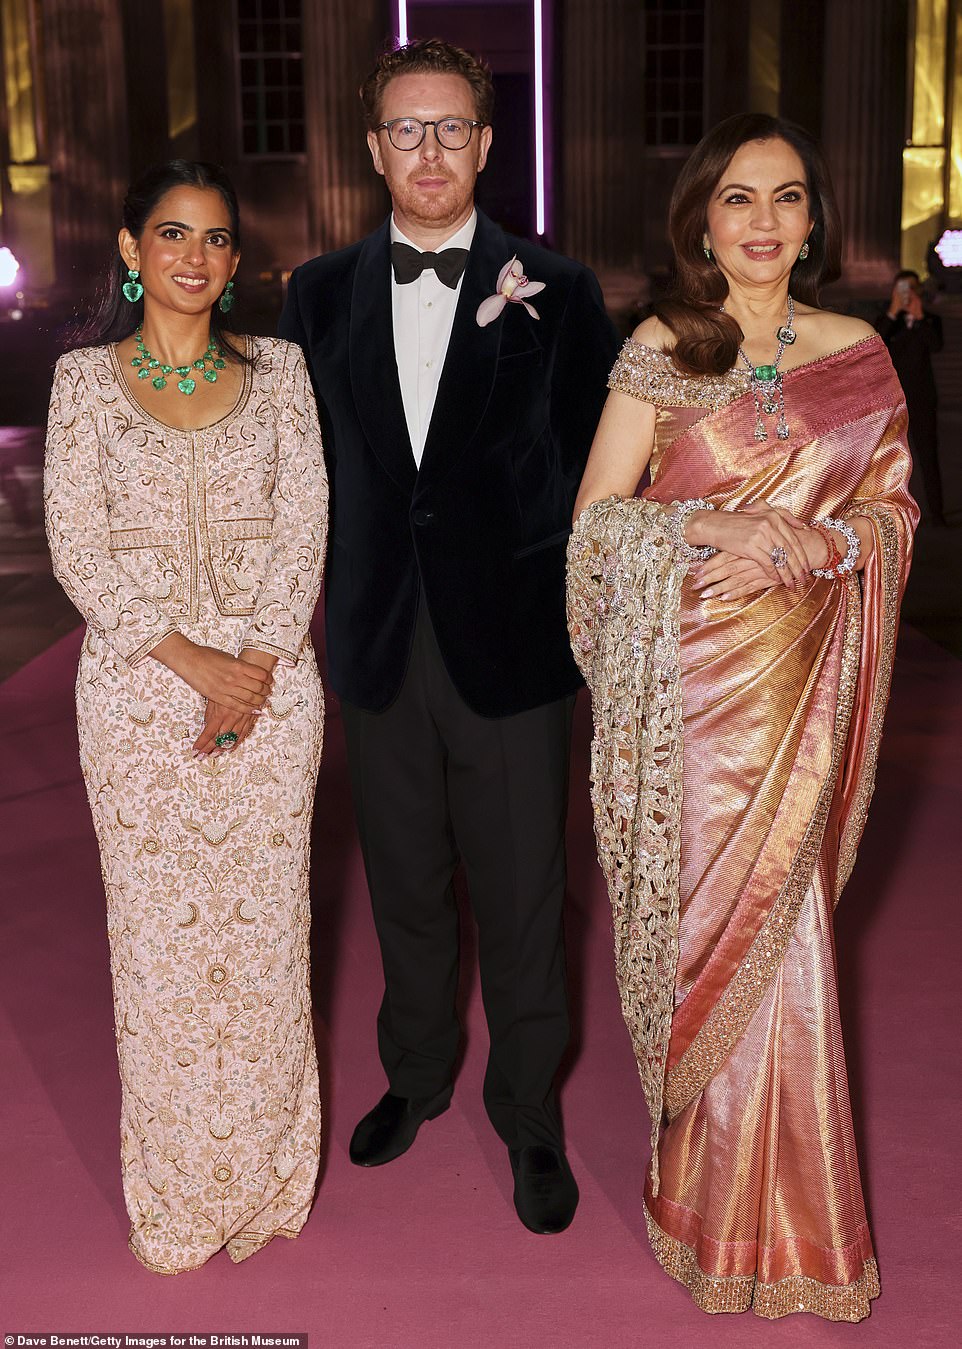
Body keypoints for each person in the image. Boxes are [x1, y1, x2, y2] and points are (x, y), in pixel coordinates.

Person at [567, 114, 916, 1319]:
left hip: (805, 688)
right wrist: (706, 521)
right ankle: (701, 1203)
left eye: (784, 197)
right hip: (694, 705)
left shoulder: (858, 351)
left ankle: (798, 1231)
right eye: (736, 198)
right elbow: (594, 523)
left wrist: (829, 542)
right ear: (700, 222)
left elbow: (894, 511)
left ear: (812, 219)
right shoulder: (662, 347)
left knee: (793, 938)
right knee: (706, 949)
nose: (762, 221)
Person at [279, 38, 618, 1235]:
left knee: (524, 894)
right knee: (404, 883)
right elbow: (297, 473)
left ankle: (527, 1111)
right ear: (373, 149)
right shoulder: (315, 293)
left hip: (514, 649)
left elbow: (598, 479)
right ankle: (416, 1072)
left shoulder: (559, 289)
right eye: (404, 129)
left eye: (450, 128)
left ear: (485, 143)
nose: (428, 150)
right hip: (375, 640)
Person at [44, 160, 328, 1274]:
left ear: (235, 258)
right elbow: (76, 542)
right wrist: (192, 660)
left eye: (214, 239)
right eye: (172, 234)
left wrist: (251, 663)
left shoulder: (282, 371)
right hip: (136, 693)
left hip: (272, 687)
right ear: (131, 249)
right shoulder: (81, 382)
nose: (195, 257)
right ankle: (176, 1196)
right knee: (160, 949)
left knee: (265, 943)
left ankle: (266, 1181)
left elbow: (306, 518)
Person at [874, 269, 945, 523]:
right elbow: (875, 345)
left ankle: (937, 513)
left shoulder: (930, 319)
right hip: (892, 401)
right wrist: (893, 311)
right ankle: (889, 515)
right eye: (902, 288)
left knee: (928, 456)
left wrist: (920, 316)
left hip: (922, 398)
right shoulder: (887, 320)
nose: (908, 293)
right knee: (889, 459)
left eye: (912, 288)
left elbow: (936, 345)